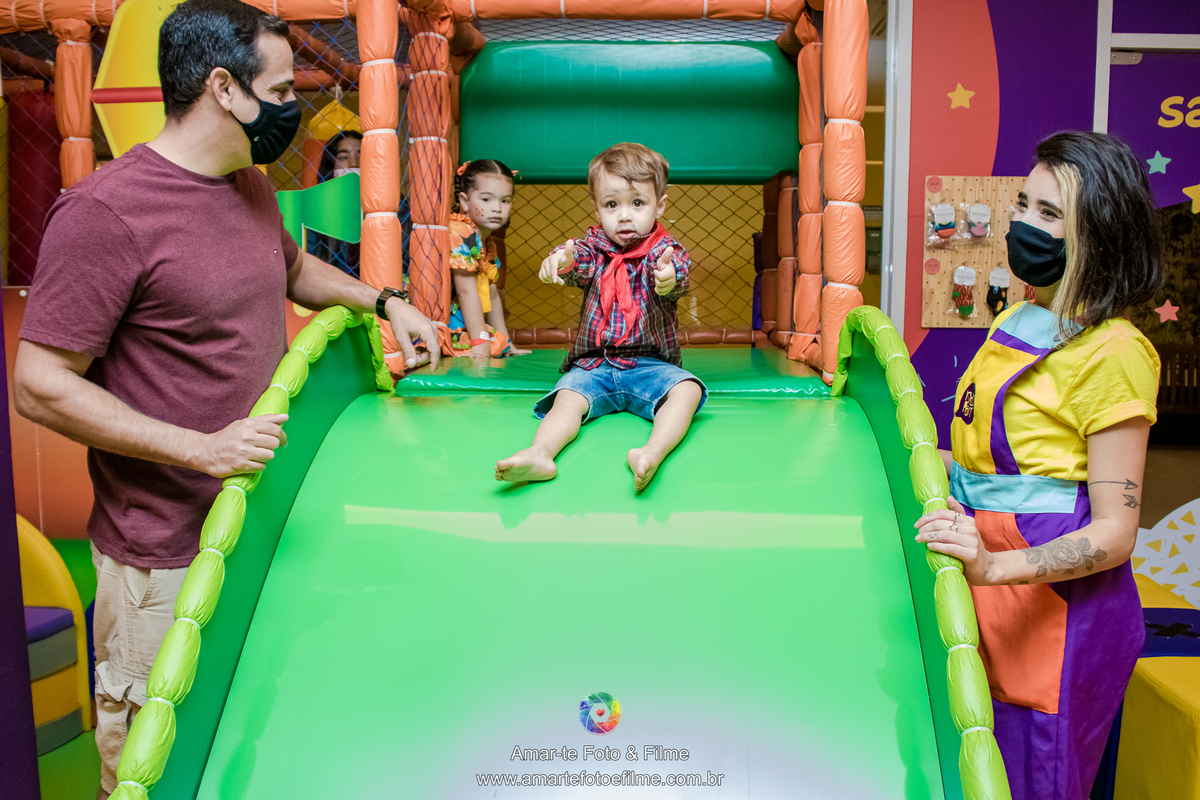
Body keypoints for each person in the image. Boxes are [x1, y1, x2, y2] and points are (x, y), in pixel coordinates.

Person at [10, 1, 438, 796]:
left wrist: (384, 301)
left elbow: (291, 270)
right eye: (280, 90)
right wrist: (201, 449)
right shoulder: (108, 213)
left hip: (254, 523)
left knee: (244, 739)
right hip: (164, 554)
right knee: (158, 760)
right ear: (223, 88)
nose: (292, 107)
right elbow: (39, 386)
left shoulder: (247, 185)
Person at [914, 131, 1164, 800]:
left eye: (1049, 214)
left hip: (1052, 614)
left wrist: (995, 568)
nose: (1023, 223)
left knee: (1031, 779)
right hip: (988, 587)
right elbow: (991, 468)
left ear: (1098, 234)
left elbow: (1115, 532)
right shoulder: (1018, 318)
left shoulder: (1114, 352)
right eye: (1024, 204)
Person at [495, 142, 706, 491]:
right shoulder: (595, 248)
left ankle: (651, 452)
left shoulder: (664, 251)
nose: (624, 216)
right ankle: (540, 453)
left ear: (659, 205)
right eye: (611, 204)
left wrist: (669, 278)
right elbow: (577, 257)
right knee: (567, 398)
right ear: (597, 208)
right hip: (596, 366)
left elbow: (678, 274)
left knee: (688, 390)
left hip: (650, 367)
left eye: (637, 203)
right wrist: (561, 259)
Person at [444, 159, 528, 358]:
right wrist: (480, 343)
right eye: (486, 199)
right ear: (464, 201)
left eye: (505, 201)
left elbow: (491, 293)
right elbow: (465, 291)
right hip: (440, 316)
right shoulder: (460, 231)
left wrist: (507, 344)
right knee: (487, 344)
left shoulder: (486, 241)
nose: (497, 208)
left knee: (496, 344)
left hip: (460, 315)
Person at [308, 129, 362, 275]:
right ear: (331, 166)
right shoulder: (317, 214)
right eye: (343, 157)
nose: (353, 164)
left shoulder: (395, 209)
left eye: (361, 156)